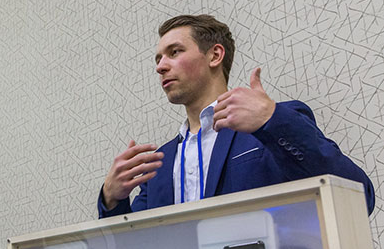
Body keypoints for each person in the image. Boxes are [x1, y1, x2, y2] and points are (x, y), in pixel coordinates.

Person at [98, 14, 375, 219]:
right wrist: (112, 200)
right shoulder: (157, 164)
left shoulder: (272, 125)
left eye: (174, 52)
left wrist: (272, 120)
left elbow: (358, 197)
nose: (161, 66)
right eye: (158, 59)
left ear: (215, 55)